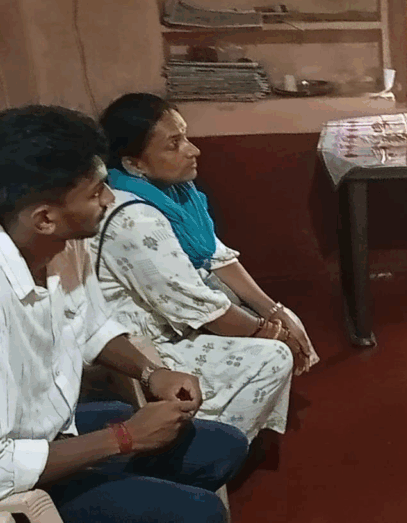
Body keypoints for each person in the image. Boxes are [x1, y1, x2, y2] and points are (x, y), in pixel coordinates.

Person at [0, 105, 248, 522]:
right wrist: (124, 438)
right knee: (200, 513)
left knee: (222, 447)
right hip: (17, 482)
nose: (110, 199)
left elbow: (91, 326)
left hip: (56, 431)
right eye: (96, 192)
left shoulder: (63, 244)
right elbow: (4, 465)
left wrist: (152, 373)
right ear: (44, 218)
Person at [91, 93, 319, 442]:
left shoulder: (178, 194)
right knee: (272, 357)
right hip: (138, 346)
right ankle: (207, 445)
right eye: (174, 144)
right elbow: (200, 306)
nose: (193, 150)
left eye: (186, 136)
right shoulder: (136, 218)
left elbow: (216, 255)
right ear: (135, 163)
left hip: (170, 318)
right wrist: (275, 335)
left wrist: (276, 311)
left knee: (249, 304)